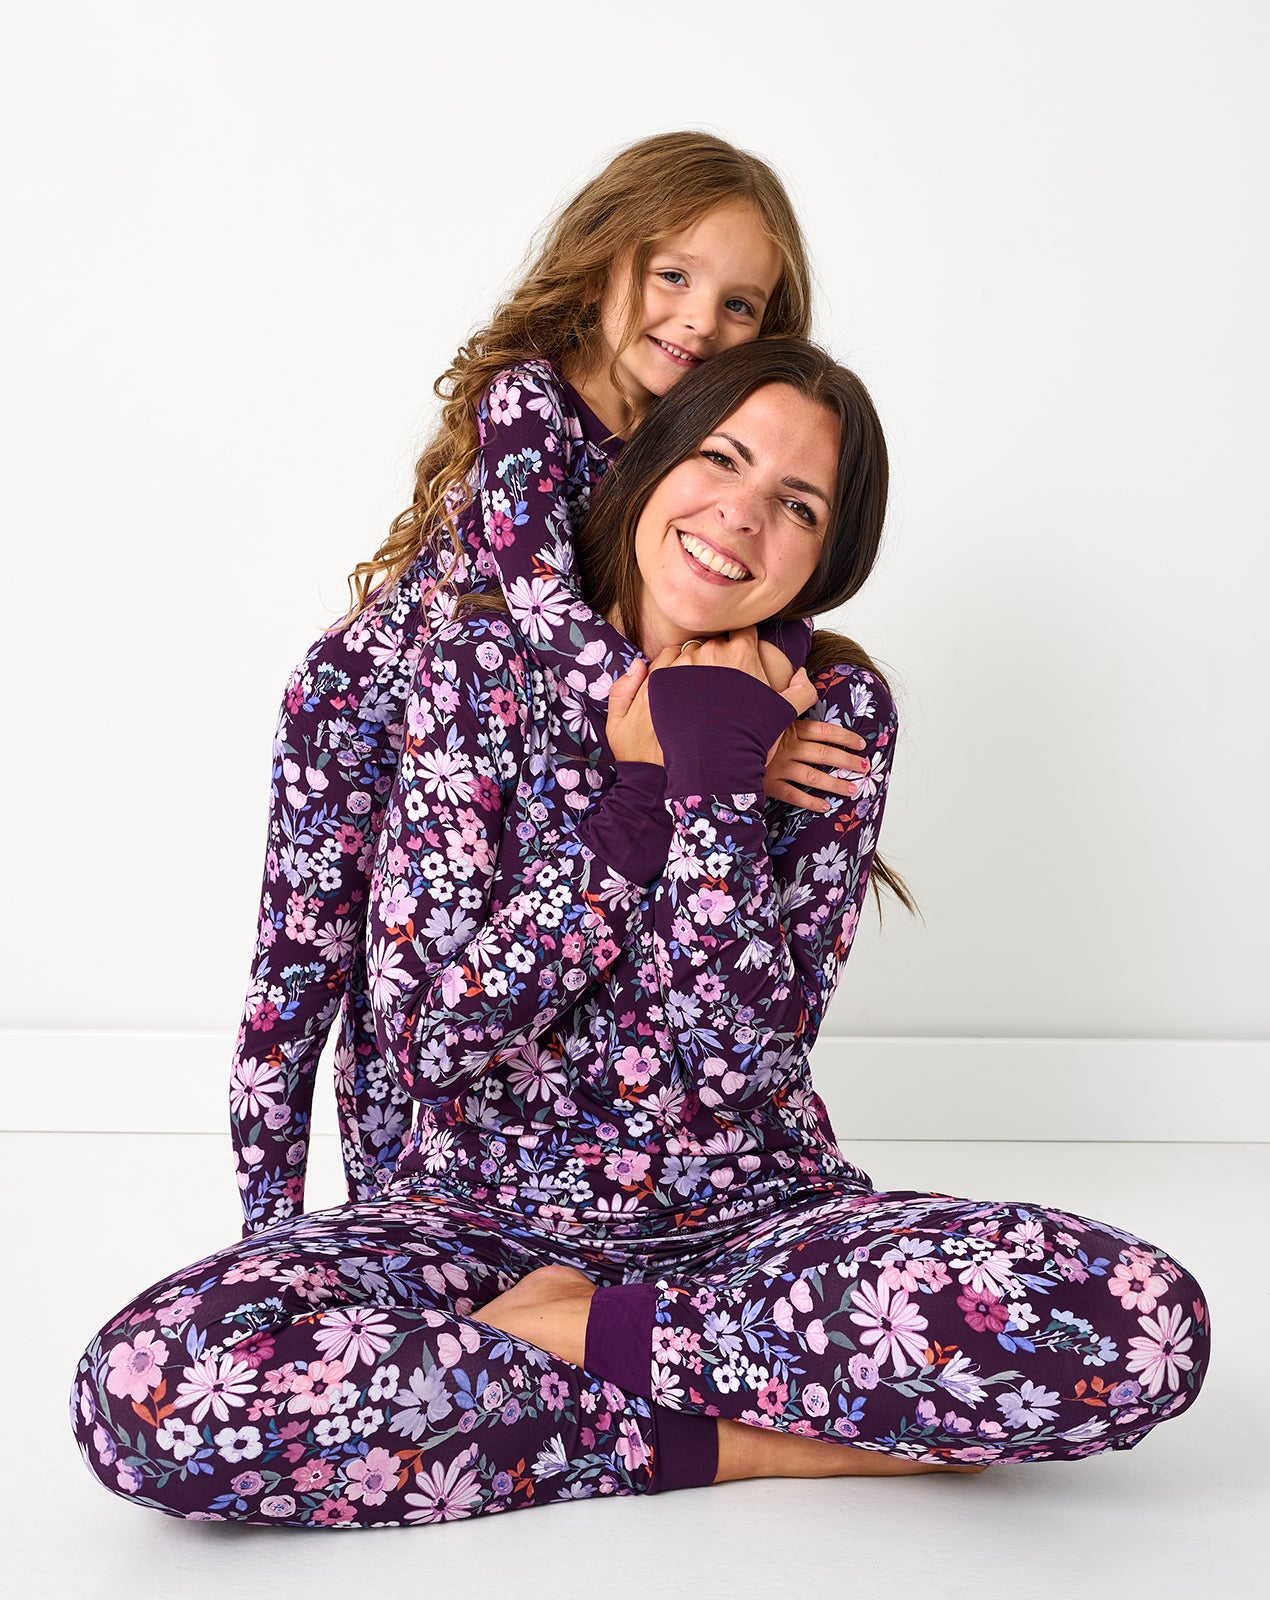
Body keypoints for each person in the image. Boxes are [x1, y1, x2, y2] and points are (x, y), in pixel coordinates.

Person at [73, 340, 1209, 1525]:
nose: (741, 514)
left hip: (755, 1225)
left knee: (1137, 1325)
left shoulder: (836, 716)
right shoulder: (478, 670)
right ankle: (773, 1441)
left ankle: (573, 1349)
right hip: (474, 1219)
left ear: (829, 556)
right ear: (653, 460)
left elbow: (733, 1069)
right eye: (719, 456)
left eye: (797, 504)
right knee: (148, 1395)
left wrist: (715, 784)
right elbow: (430, 1042)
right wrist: (630, 811)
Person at [231, 132, 863, 1238]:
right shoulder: (531, 403)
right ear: (604, 257)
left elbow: (751, 601)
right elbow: (538, 610)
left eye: (739, 306)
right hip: (364, 710)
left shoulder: (708, 450)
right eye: (672, 275)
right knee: (308, 987)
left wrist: (745, 704)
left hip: (501, 710)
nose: (697, 321)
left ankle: (404, 1229)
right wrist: (717, 734)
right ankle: (284, 1229)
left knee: (417, 990)